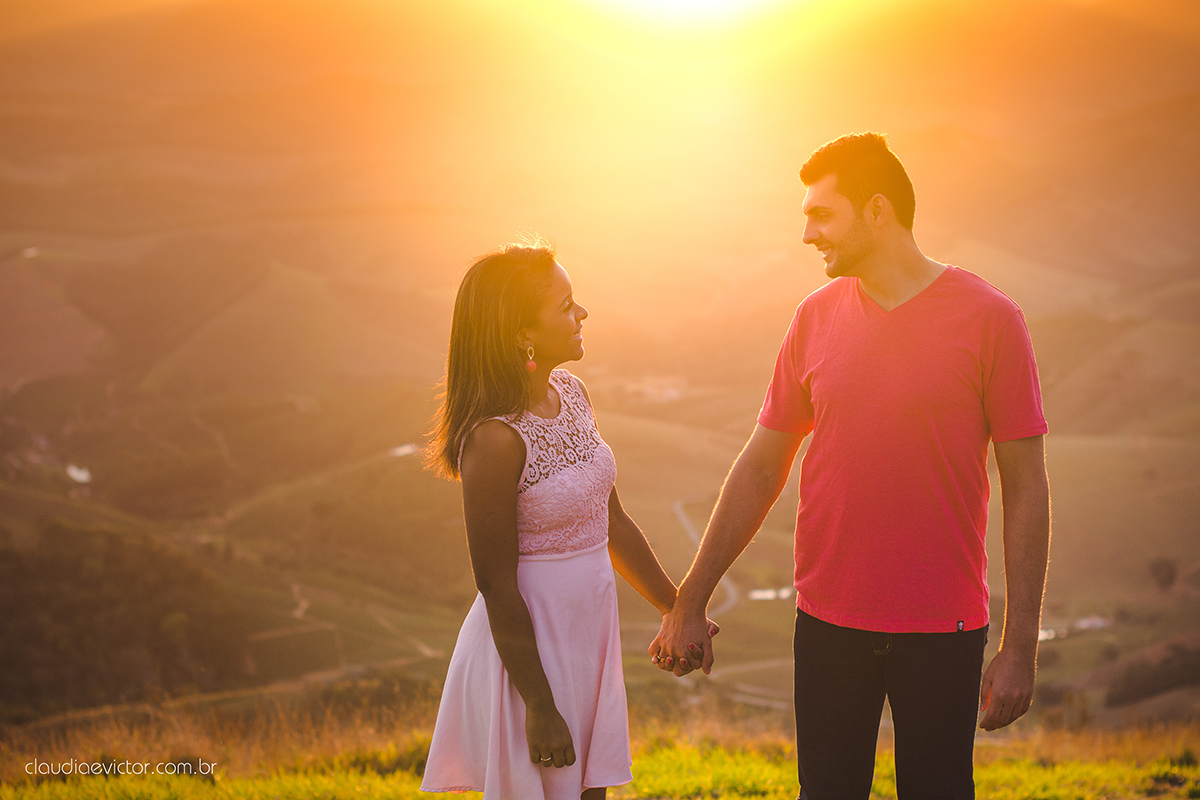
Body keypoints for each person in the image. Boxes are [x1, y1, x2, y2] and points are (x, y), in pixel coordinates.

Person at [650, 133, 1051, 799]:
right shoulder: (813, 318)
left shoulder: (992, 320)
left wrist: (1021, 647)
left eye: (821, 214)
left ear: (876, 210)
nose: (807, 234)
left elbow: (1027, 486)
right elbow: (761, 467)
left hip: (944, 630)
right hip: (828, 625)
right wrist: (690, 600)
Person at [420, 242, 715, 800]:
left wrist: (677, 609)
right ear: (521, 335)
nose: (582, 314)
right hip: (530, 652)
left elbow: (613, 522)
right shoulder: (493, 439)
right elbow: (495, 585)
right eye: (565, 306)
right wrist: (539, 705)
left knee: (588, 790)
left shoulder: (572, 395)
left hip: (586, 632)